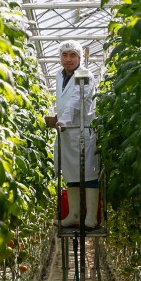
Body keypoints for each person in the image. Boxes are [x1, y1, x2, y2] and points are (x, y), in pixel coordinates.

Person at [44, 40, 99, 228]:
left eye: (73, 55)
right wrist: (60, 119)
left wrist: (64, 120)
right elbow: (65, 100)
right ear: (60, 57)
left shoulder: (84, 75)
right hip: (66, 132)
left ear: (79, 58)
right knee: (70, 174)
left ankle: (90, 217)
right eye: (65, 55)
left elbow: (77, 99)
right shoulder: (60, 75)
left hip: (81, 131)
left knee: (89, 173)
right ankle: (74, 215)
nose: (68, 59)